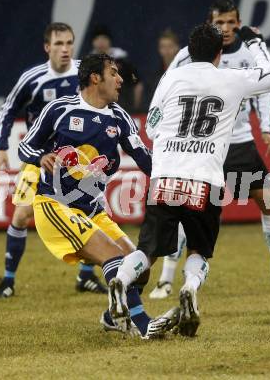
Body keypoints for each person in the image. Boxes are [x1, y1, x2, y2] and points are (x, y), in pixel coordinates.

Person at [112, 22, 270, 337]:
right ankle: (189, 288)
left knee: (147, 249)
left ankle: (120, 281)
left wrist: (171, 141)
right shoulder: (231, 79)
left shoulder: (172, 77)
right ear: (219, 53)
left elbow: (152, 123)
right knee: (199, 250)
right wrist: (255, 42)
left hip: (165, 176)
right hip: (205, 178)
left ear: (188, 51)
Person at [149, 0, 270, 299]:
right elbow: (165, 89)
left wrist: (267, 127)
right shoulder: (188, 55)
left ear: (238, 23)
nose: (225, 28)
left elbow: (263, 92)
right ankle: (166, 279)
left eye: (230, 22)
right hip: (200, 147)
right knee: (187, 208)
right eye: (219, 22)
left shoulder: (249, 55)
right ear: (209, 23)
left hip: (237, 144)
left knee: (269, 201)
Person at [17, 52, 179, 338]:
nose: (120, 80)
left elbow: (144, 158)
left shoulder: (119, 117)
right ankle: (143, 325)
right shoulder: (60, 110)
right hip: (55, 205)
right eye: (113, 73)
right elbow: (25, 147)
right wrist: (41, 156)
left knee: (138, 266)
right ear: (95, 78)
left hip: (92, 211)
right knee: (115, 258)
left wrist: (181, 174)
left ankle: (110, 317)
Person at [0, 22, 107, 298]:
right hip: (39, 158)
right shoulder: (32, 78)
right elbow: (8, 110)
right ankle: (8, 280)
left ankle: (86, 276)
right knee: (21, 214)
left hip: (77, 161)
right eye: (59, 43)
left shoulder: (85, 72)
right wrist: (0, 147)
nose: (65, 49)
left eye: (69, 43)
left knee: (90, 214)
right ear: (47, 47)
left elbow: (104, 102)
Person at [90, 24, 143, 112]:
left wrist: (135, 107)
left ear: (109, 41)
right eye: (97, 39)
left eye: (104, 38)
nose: (101, 42)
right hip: (96, 110)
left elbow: (137, 83)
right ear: (93, 42)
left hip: (123, 108)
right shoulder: (88, 64)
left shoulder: (123, 61)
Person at [143, 28, 180, 110]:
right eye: (163, 47)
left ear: (177, 47)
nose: (167, 51)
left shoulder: (186, 75)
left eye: (170, 46)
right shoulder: (152, 79)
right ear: (159, 49)